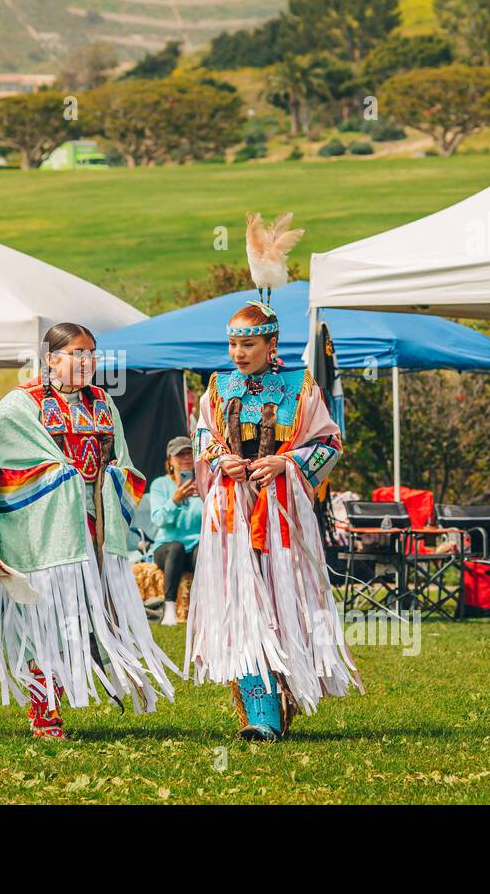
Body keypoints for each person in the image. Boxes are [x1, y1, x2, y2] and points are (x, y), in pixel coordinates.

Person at [0, 323, 178, 738]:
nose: (87, 361)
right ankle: (45, 715)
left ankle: (90, 686)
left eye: (92, 352)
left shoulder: (102, 404)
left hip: (94, 530)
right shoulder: (21, 405)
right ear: (51, 357)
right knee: (43, 619)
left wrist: (110, 481)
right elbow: (4, 467)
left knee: (83, 619)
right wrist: (62, 479)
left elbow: (124, 464)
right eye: (76, 353)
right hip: (45, 535)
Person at [188, 299, 363, 740]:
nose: (238, 353)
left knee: (283, 602)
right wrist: (219, 457)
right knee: (242, 604)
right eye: (232, 344)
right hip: (231, 513)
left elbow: (330, 443)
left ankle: (286, 690)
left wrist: (287, 465)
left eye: (247, 344)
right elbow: (203, 433)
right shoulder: (218, 386)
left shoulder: (300, 387)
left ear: (272, 344)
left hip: (280, 512)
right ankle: (260, 713)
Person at [149, 435, 203, 627]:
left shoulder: (204, 483)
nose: (186, 458)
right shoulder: (160, 485)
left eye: (190, 453)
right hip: (167, 548)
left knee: (203, 548)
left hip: (195, 547)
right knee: (176, 547)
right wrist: (175, 500)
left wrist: (205, 498)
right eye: (180, 455)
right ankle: (170, 608)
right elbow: (158, 520)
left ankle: (203, 606)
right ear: (170, 461)